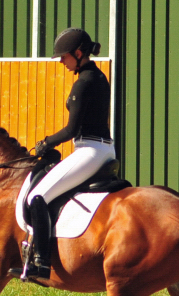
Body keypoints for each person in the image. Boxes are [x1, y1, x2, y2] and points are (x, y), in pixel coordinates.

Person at [10, 28, 115, 281]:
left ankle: (41, 264)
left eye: (64, 56)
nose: (60, 61)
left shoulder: (85, 82)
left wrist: (46, 143)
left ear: (78, 53)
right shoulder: (97, 77)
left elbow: (72, 129)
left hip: (90, 150)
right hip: (98, 147)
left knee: (38, 196)